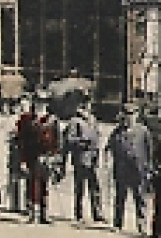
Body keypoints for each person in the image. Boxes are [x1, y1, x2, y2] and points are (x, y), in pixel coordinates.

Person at [105, 102, 153, 234]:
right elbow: (109, 148)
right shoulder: (117, 131)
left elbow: (149, 151)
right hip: (121, 169)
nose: (129, 117)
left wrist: (148, 169)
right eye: (127, 114)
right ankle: (118, 224)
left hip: (138, 170)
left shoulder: (143, 131)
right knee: (120, 197)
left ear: (137, 115)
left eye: (132, 114)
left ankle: (142, 225)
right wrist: (108, 162)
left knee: (140, 198)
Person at [15, 90, 61, 224]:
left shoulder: (52, 120)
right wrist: (22, 160)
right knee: (32, 184)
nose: (41, 104)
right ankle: (32, 213)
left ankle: (44, 213)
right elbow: (22, 140)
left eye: (43, 102)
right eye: (38, 101)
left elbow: (57, 141)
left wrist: (54, 157)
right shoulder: (26, 119)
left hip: (47, 156)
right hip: (32, 156)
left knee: (44, 185)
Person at [61, 102, 106, 224]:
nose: (87, 109)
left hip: (93, 159)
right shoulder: (74, 122)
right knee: (80, 187)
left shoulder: (93, 120)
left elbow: (98, 137)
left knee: (95, 187)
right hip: (80, 158)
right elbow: (69, 140)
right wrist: (83, 142)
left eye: (88, 106)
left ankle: (98, 213)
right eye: (84, 106)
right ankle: (78, 214)